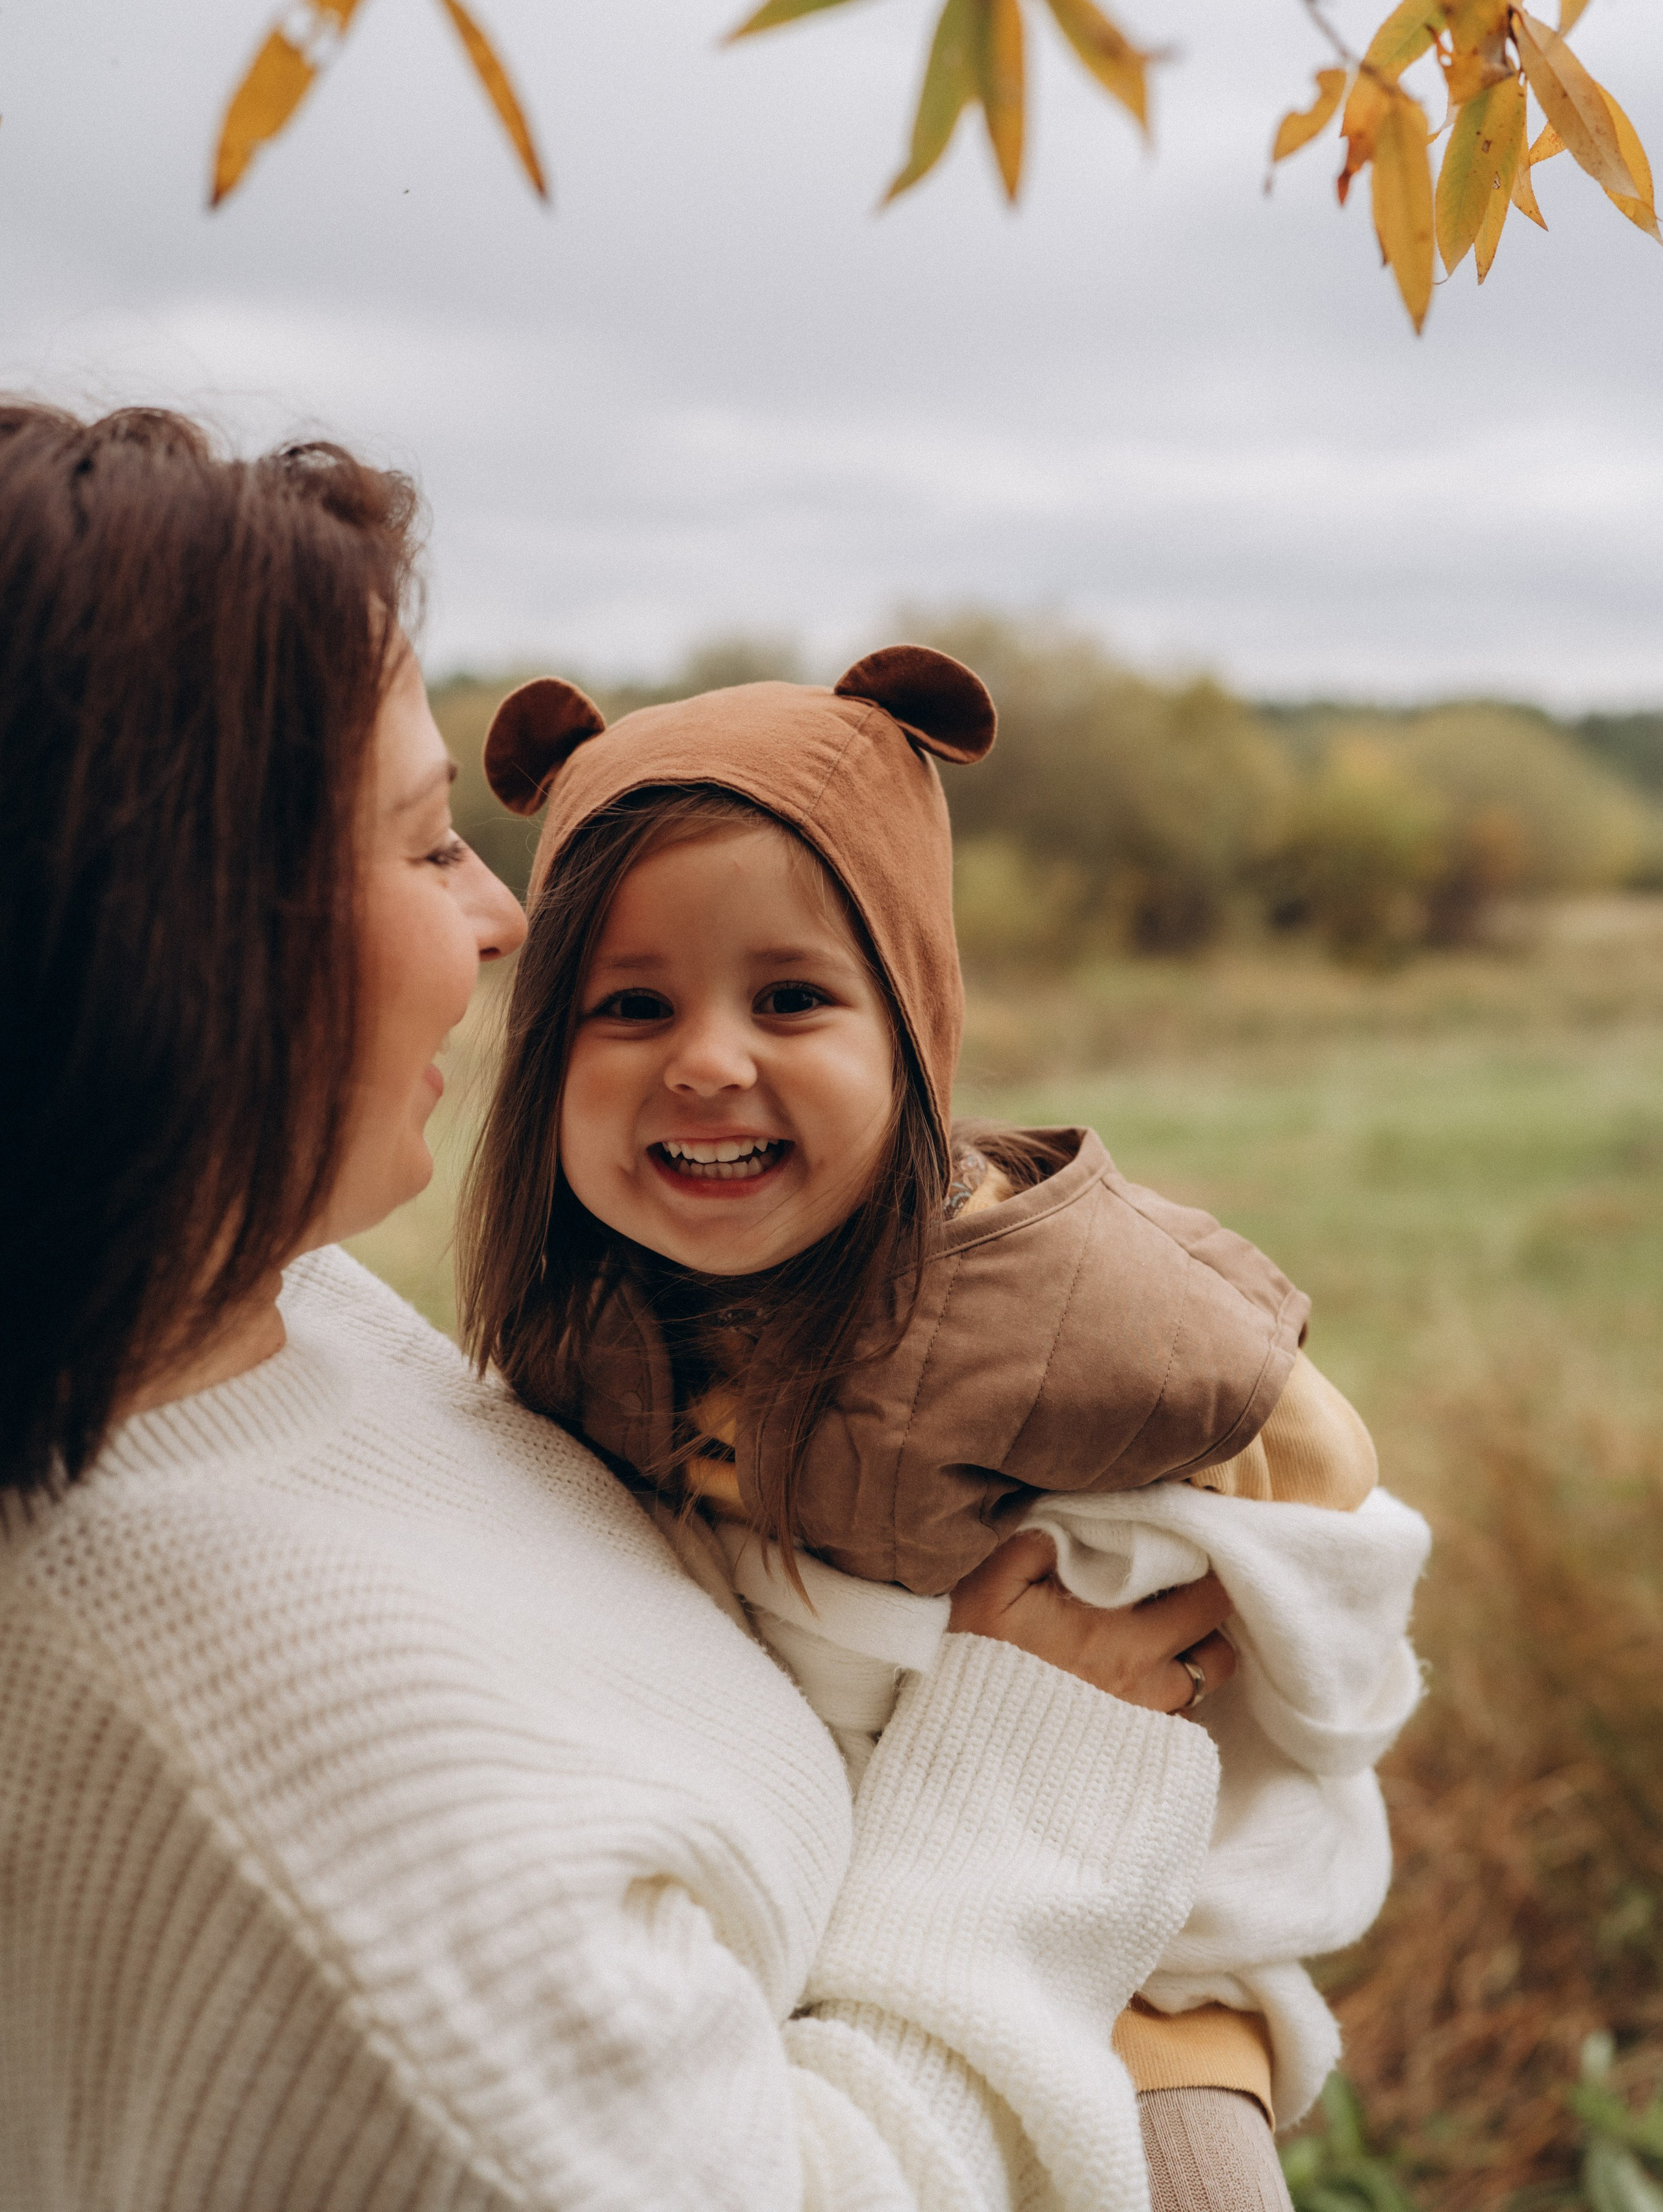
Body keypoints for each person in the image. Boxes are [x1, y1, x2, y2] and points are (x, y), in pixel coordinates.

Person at [1, 403, 1239, 2212]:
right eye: (429, 848)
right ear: (190, 936)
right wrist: (1032, 1793)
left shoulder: (243, 1306)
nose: (506, 921)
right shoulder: (302, 1855)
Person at [461, 651, 1425, 2212]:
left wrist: (1200, 1591)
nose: (706, 1060)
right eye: (630, 1006)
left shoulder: (1059, 1306)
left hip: (1126, 1953)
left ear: (911, 1023)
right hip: (793, 1942)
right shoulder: (575, 1327)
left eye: (790, 998)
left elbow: (1313, 1484)